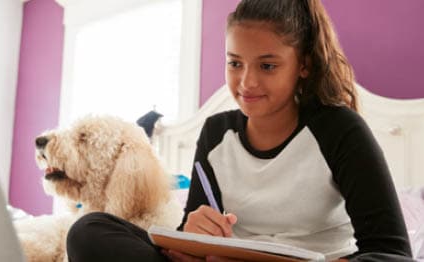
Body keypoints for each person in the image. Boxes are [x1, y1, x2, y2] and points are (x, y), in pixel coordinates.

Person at [66, 0, 413, 261]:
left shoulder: (339, 129)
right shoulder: (216, 133)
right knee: (90, 230)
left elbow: (391, 252)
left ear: (303, 65)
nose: (247, 82)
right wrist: (191, 233)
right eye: (235, 63)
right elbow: (193, 242)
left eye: (267, 65)